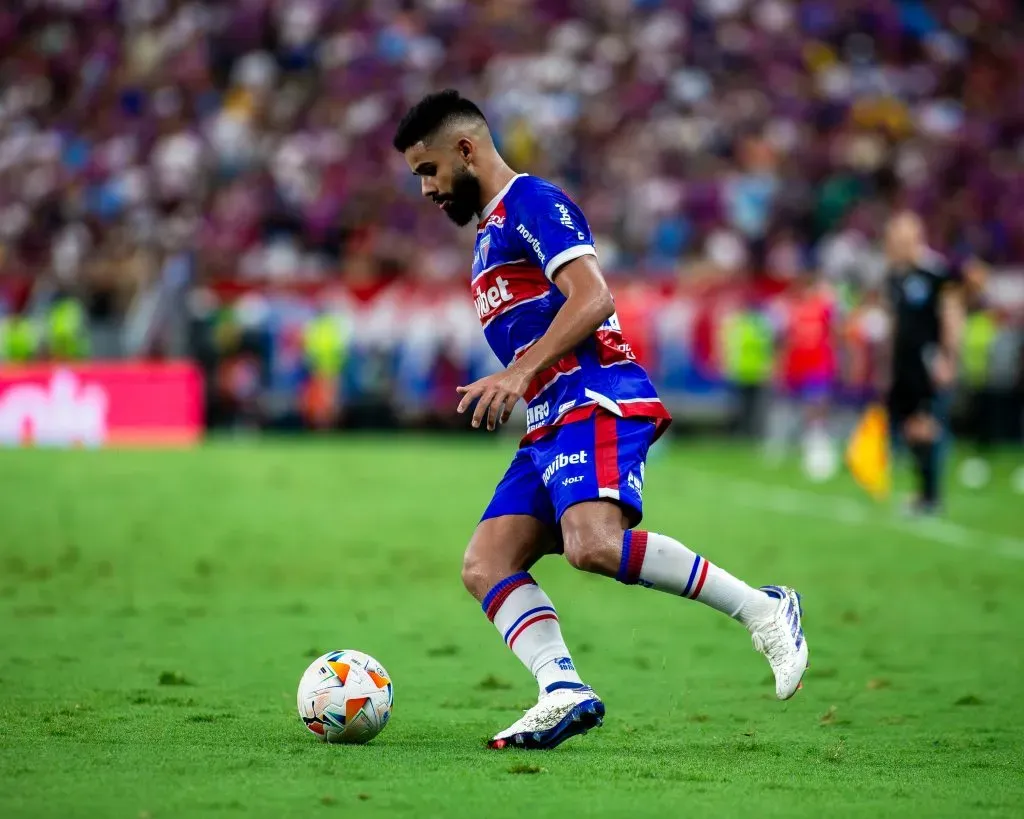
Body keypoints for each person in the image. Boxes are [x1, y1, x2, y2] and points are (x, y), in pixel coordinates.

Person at [392, 90, 808, 750]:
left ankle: (764, 608)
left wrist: (518, 372)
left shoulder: (532, 204)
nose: (425, 188)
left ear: (466, 150)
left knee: (592, 543)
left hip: (594, 395)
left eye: (428, 169)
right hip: (549, 417)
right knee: (486, 561)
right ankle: (562, 687)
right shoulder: (485, 239)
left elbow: (593, 296)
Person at [882, 212, 965, 515]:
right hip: (904, 363)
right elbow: (895, 322)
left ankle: (930, 497)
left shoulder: (935, 272)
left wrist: (948, 356)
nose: (892, 245)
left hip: (928, 359)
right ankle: (922, 493)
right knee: (910, 427)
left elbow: (951, 315)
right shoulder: (895, 275)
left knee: (925, 425)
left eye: (898, 239)